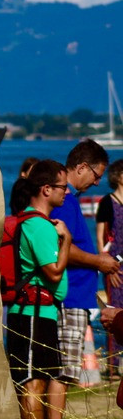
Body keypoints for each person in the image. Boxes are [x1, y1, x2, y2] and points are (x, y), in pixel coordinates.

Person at [50, 140, 118, 419]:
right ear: (81, 167)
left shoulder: (71, 200)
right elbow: (60, 245)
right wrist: (98, 261)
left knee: (66, 372)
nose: (97, 182)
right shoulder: (65, 200)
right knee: (63, 372)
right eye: (96, 175)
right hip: (70, 296)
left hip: (79, 294)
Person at [5, 160, 70, 419]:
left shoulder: (30, 223)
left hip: (39, 312)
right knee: (32, 380)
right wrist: (66, 239)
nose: (66, 193)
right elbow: (54, 272)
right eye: (62, 187)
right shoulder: (39, 226)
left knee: (40, 379)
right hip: (33, 313)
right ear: (46, 190)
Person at [96, 159, 123, 377]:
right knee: (113, 311)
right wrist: (107, 266)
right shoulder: (107, 202)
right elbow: (101, 238)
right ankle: (113, 365)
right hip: (115, 264)